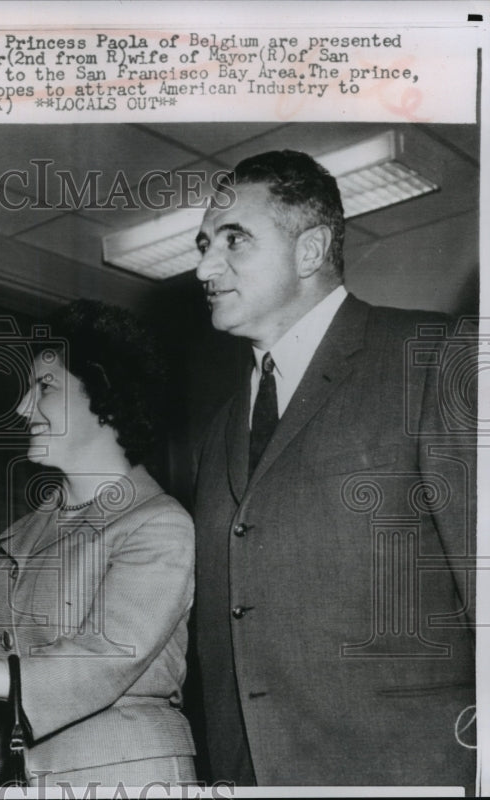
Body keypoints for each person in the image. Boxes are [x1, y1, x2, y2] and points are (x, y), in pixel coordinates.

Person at [192, 150, 475, 787]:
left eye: (235, 241)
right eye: (204, 243)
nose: (205, 266)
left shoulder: (432, 358)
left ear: (311, 250)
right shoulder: (217, 432)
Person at [0, 300, 197, 787]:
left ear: (105, 396)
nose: (22, 407)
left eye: (44, 387)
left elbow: (104, 656)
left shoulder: (158, 525)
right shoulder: (23, 534)